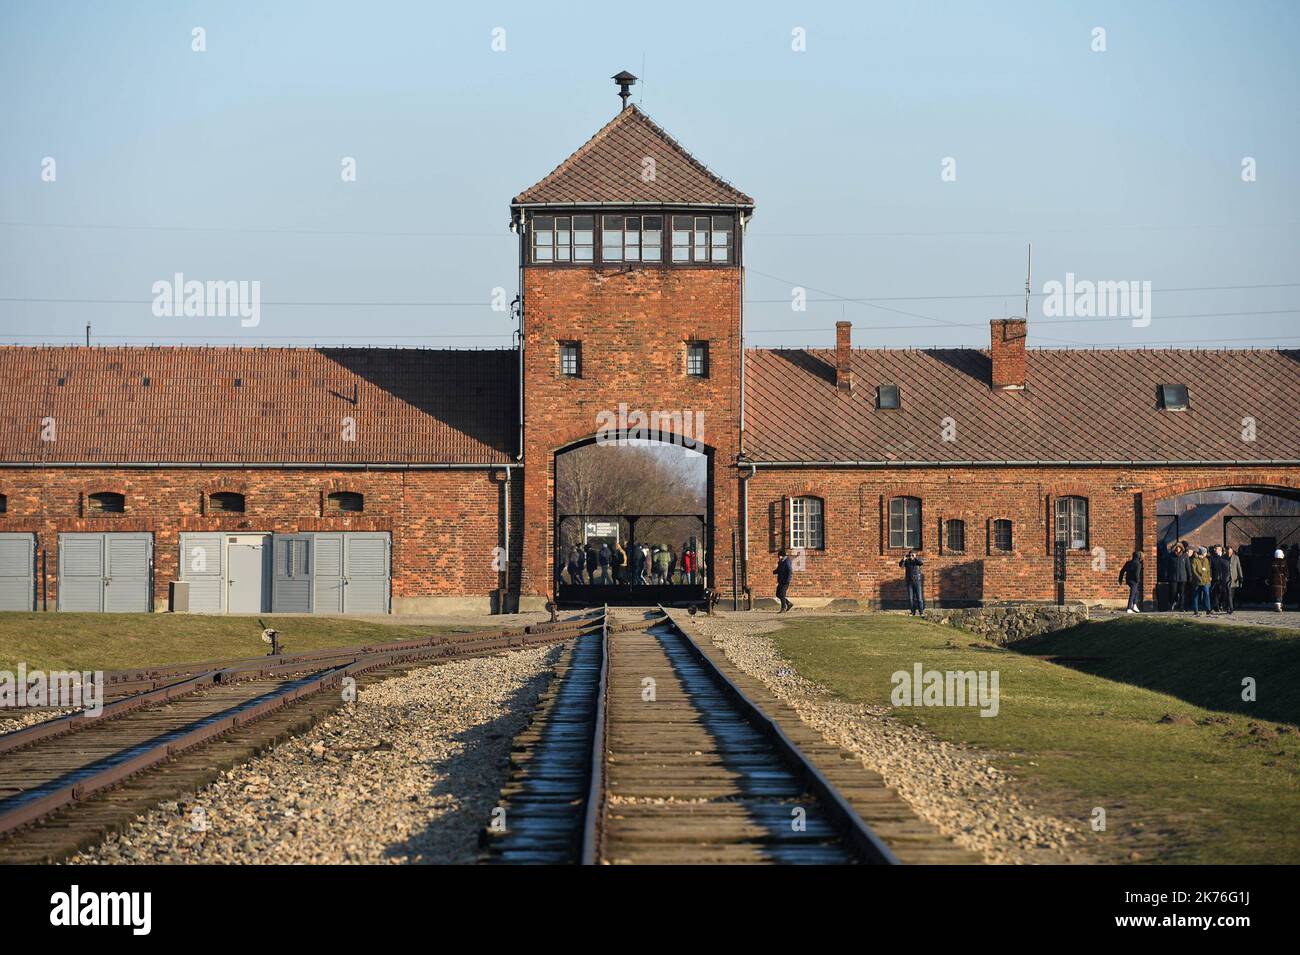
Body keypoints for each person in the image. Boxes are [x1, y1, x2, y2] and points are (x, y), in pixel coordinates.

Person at [899, 549, 925, 616]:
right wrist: (903, 559)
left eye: (912, 555)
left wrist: (915, 558)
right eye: (910, 555)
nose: (911, 556)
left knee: (919, 598)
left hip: (917, 581)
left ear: (915, 555)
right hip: (909, 581)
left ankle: (921, 612)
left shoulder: (917, 561)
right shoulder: (907, 561)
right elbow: (901, 566)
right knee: (911, 598)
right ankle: (912, 612)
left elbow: (921, 563)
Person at [1190, 547, 1212, 616]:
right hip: (1197, 581)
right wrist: (1198, 577)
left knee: (1206, 594)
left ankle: (1208, 609)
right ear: (1202, 553)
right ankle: (1195, 610)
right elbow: (1194, 571)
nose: (1206, 554)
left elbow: (1208, 570)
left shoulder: (1206, 560)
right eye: (1205, 552)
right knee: (1195, 595)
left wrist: (1209, 578)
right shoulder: (1195, 560)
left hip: (1205, 581)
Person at [1168, 542, 1190, 612]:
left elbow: (1188, 566)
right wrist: (1167, 575)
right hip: (1173, 577)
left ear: (1181, 548)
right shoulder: (1171, 555)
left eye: (1179, 547)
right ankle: (1173, 604)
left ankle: (1181, 607)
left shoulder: (1185, 555)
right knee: (1173, 592)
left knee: (1182, 593)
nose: (1178, 549)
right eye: (1176, 547)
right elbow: (1168, 566)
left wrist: (1190, 575)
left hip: (1183, 577)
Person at [1210, 545, 1231, 613]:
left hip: (1224, 578)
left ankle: (1222, 605)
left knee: (1223, 593)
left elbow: (1228, 567)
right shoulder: (1213, 558)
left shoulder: (1225, 557)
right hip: (1215, 578)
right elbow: (1211, 568)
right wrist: (1210, 576)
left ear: (1220, 549)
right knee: (1215, 593)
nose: (1214, 550)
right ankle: (1216, 607)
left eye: (1216, 548)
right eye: (1214, 548)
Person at [1269, 548, 1289, 612]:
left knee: (1276, 592)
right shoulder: (1284, 562)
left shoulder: (1273, 562)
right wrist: (1287, 577)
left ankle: (1278, 604)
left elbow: (1270, 572)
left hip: (1275, 579)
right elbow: (1286, 571)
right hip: (1282, 580)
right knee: (1281, 593)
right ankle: (1279, 604)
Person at [1226, 546, 1243, 614]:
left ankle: (1229, 606)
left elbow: (1239, 567)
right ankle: (1231, 608)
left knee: (1232, 594)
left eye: (1230, 551)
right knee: (1229, 593)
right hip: (1226, 578)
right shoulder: (1223, 558)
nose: (1229, 552)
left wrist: (1241, 576)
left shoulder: (1236, 557)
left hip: (1234, 578)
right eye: (1228, 551)